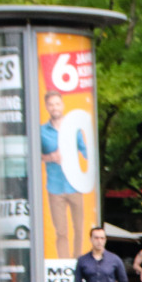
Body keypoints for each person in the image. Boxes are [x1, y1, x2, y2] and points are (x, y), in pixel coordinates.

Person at [41, 91, 86, 258]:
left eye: (57, 104)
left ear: (63, 105)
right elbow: (33, 155)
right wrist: (50, 157)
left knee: (79, 228)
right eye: (51, 104)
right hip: (55, 186)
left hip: (75, 184)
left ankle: (78, 262)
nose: (54, 107)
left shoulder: (73, 128)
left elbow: (85, 151)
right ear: (47, 107)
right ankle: (64, 263)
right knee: (61, 231)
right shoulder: (41, 131)